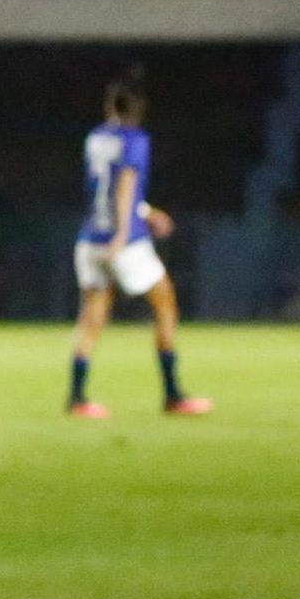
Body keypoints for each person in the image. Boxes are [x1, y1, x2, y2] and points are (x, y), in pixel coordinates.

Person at [68, 77, 210, 418]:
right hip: (125, 242)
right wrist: (122, 233)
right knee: (165, 305)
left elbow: (103, 190)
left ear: (109, 105)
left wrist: (145, 212)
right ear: (139, 109)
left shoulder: (95, 138)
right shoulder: (135, 139)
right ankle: (173, 395)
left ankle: (77, 398)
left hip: (89, 239)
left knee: (92, 318)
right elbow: (125, 184)